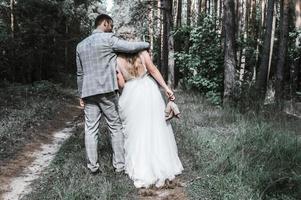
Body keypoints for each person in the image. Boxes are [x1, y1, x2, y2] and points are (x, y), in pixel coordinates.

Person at [76, 14, 149, 174]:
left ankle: (93, 168)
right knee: (115, 126)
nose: (112, 28)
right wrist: (146, 44)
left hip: (88, 92)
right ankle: (119, 166)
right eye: (111, 25)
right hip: (107, 90)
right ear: (104, 23)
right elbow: (130, 47)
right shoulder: (108, 39)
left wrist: (80, 94)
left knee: (90, 129)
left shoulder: (80, 46)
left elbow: (80, 74)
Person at [116, 50, 183, 188]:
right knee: (155, 127)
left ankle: (141, 165)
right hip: (149, 90)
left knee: (137, 131)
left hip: (131, 93)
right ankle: (162, 163)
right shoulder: (143, 53)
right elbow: (153, 70)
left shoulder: (117, 58)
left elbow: (121, 83)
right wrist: (166, 88)